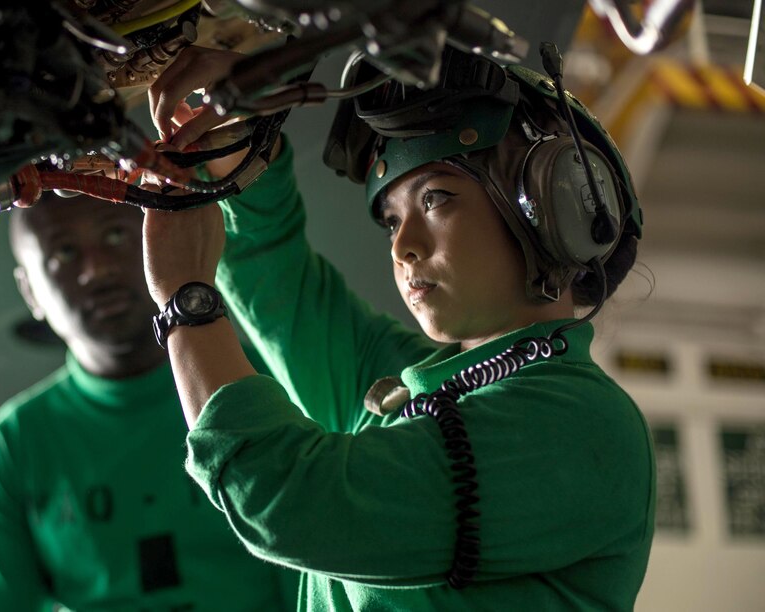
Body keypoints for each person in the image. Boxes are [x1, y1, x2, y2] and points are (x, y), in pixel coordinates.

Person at [140, 45, 655, 610]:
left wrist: (185, 304)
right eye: (391, 221)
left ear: (552, 207)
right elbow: (275, 278)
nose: (403, 248)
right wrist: (241, 141)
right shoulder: (407, 385)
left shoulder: (582, 426)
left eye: (435, 199)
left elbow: (292, 505)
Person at [0, 190, 295, 611]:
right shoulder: (13, 447)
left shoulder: (266, 383)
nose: (98, 269)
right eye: (64, 252)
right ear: (30, 292)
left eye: (115, 235)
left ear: (155, 241)